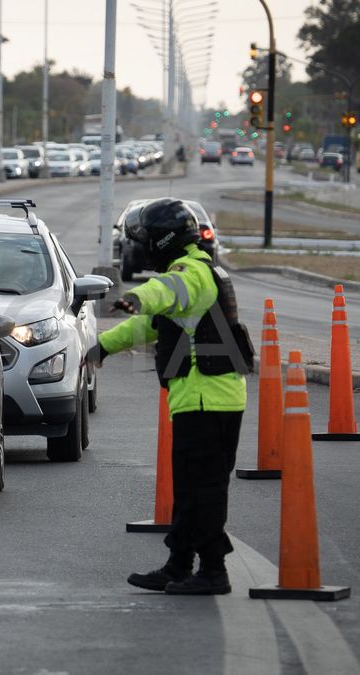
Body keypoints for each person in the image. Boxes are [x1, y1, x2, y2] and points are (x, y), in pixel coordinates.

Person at [86, 198, 251, 596]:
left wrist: (138, 296)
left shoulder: (190, 273)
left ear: (162, 241)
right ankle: (179, 565)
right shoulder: (202, 270)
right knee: (192, 490)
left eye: (146, 238)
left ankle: (213, 572)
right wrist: (102, 348)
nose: (141, 246)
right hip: (205, 398)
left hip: (205, 400)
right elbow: (152, 325)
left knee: (204, 492)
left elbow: (163, 293)